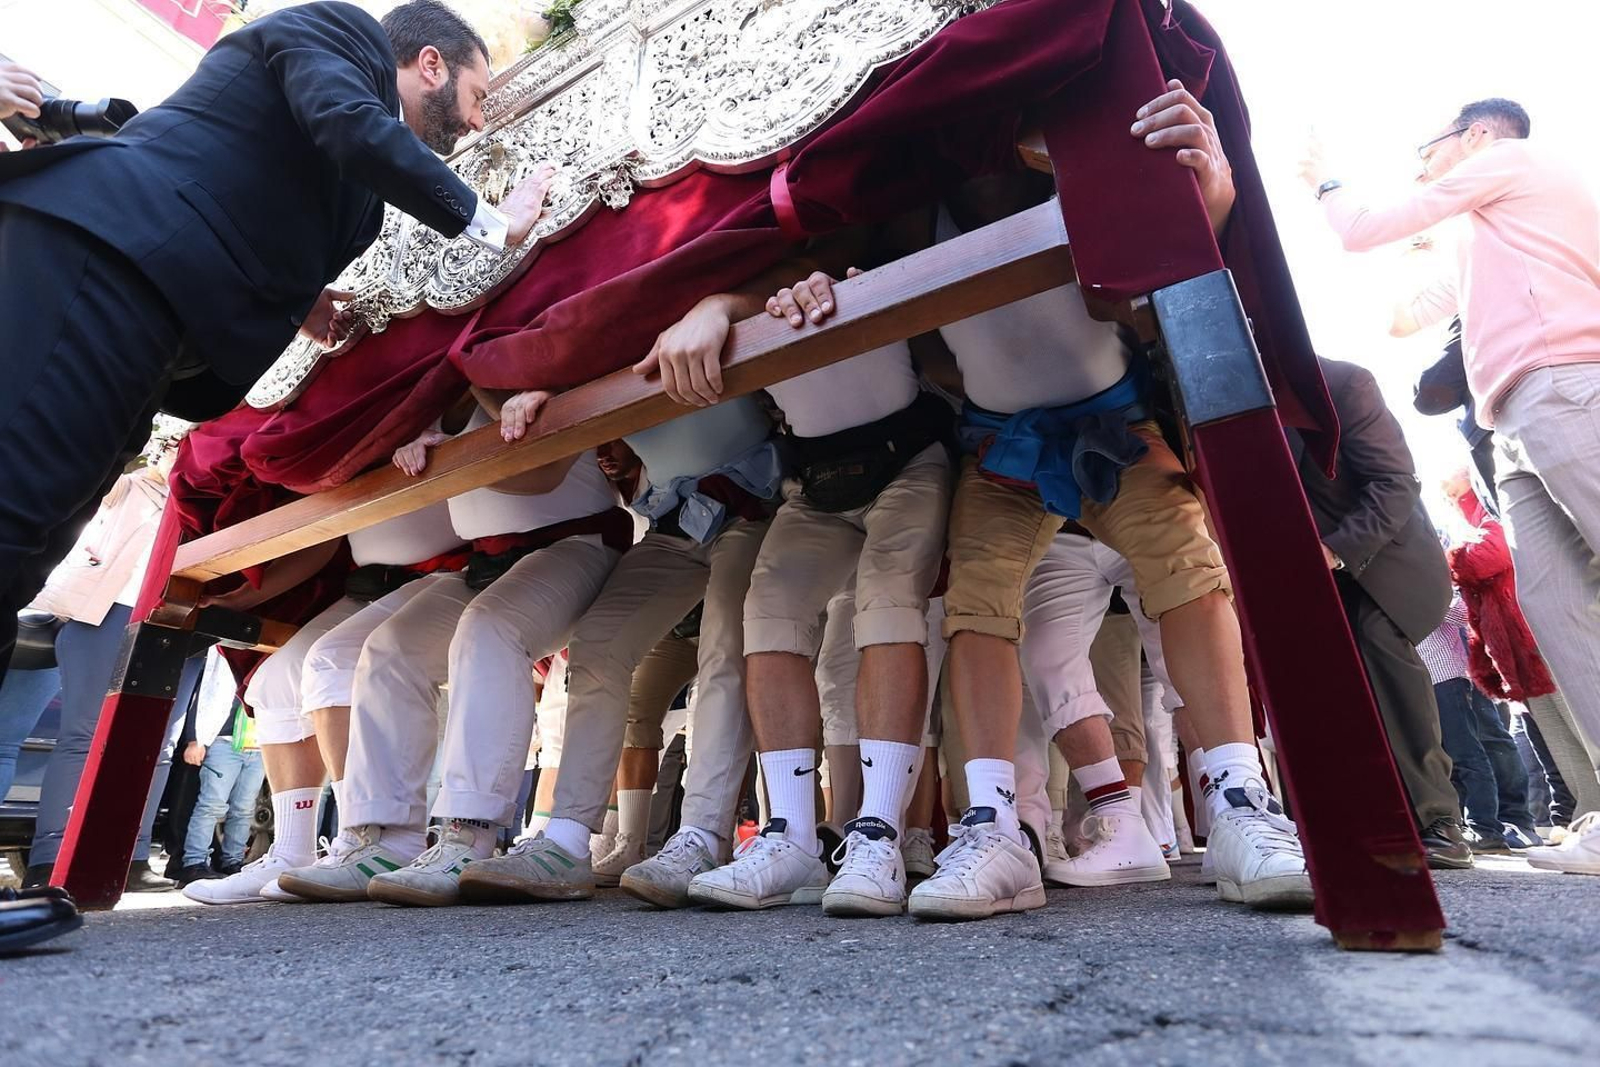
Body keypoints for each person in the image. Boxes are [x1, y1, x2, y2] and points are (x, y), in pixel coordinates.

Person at [0, 0, 555, 684]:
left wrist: (299, 301)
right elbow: (345, 127)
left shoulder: (365, 203)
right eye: (477, 97)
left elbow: (247, 186)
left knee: (25, 554)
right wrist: (493, 221)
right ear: (431, 64)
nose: (476, 121)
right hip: (110, 260)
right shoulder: (343, 32)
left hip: (158, 321)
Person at [1303, 98, 1600, 788]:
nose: (1424, 171)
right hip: (1514, 417)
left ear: (1475, 136)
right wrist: (1427, 245)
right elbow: (1404, 319)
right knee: (1555, 605)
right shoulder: (1491, 234)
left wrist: (1326, 184)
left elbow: (1364, 228)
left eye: (1428, 153)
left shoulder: (1507, 159)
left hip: (1562, 379)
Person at [1290, 356, 1469, 869]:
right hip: (1300, 574)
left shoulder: (1343, 384)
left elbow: (1394, 483)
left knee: (1377, 643)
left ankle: (1438, 819)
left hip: (1386, 563)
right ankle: (1355, 821)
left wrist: (1334, 550)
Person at [1418, 591, 1540, 851]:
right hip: (1425, 676)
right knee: (1451, 756)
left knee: (1474, 750)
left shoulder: (1425, 567)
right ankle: (1470, 826)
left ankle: (1490, 826)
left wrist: (1419, 592)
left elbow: (1462, 611)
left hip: (1452, 673)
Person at [176, 648, 267, 885]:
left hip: (257, 743)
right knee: (211, 805)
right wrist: (195, 739)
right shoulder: (223, 654)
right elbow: (205, 693)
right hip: (222, 740)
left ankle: (233, 861)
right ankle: (194, 862)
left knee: (244, 809)